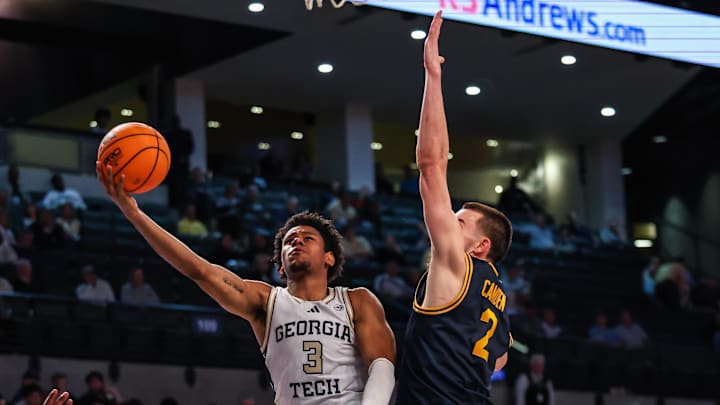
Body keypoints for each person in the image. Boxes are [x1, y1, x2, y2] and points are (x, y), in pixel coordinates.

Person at [96, 162, 397, 404]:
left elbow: (382, 367)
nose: (297, 243)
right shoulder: (266, 303)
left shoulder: (357, 301)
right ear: (280, 264)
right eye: (289, 241)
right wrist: (133, 213)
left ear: (329, 258)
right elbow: (199, 270)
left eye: (308, 238)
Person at [395, 11, 513, 404]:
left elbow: (432, 166)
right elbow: (499, 359)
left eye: (460, 221)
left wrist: (433, 75)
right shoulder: (497, 297)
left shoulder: (456, 265)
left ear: (479, 246)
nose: (449, 220)